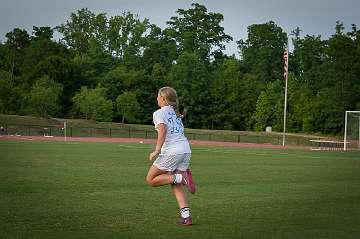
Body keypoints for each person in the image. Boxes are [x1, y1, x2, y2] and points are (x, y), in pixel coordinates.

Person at [146, 86, 196, 226]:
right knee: (174, 182)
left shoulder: (158, 113)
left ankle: (182, 177)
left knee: (150, 179)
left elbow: (162, 130)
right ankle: (186, 216)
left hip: (173, 151)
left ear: (163, 99)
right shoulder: (176, 114)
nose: (156, 98)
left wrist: (156, 150)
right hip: (185, 150)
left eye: (158, 96)